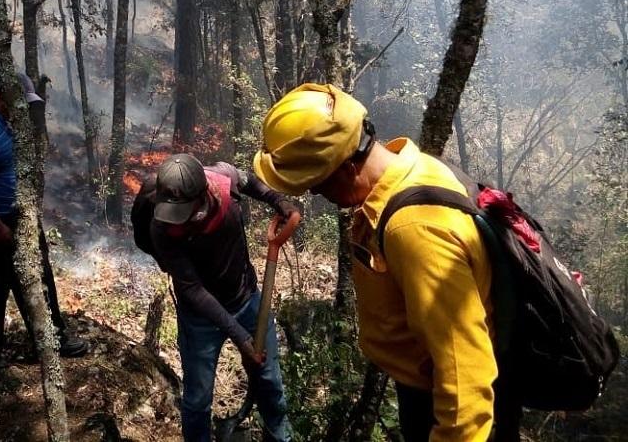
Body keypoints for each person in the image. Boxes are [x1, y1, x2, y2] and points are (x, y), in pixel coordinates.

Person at [253, 83, 520, 442]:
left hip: (450, 408)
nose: (316, 194)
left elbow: (466, 377)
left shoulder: (415, 228)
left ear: (347, 167)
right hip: (426, 384)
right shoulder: (416, 167)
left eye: (316, 184)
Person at [144, 153, 298, 442]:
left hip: (246, 301)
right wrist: (241, 338)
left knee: (270, 382)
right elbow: (192, 289)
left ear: (202, 194)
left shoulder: (223, 177)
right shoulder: (160, 227)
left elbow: (251, 181)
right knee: (198, 400)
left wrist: (280, 201)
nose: (179, 219)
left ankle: (280, 438)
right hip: (199, 318)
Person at [0, 73, 87, 374]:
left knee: (40, 276)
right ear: (3, 100)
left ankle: (51, 338)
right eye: (19, 103)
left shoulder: (12, 126)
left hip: (20, 217)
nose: (24, 110)